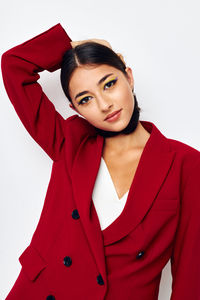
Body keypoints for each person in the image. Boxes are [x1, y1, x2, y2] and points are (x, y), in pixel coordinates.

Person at [1, 23, 200, 300]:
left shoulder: (186, 164)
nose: (105, 104)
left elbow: (191, 273)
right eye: (86, 99)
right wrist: (69, 49)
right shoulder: (70, 142)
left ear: (128, 77)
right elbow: (14, 65)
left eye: (109, 84)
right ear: (75, 109)